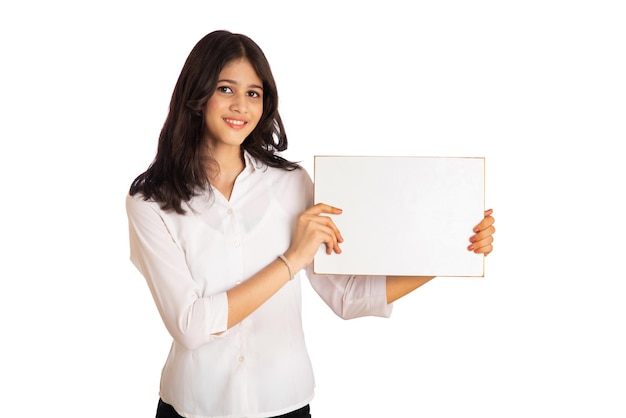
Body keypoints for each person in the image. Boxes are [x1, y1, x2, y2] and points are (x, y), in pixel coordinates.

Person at [125, 29, 495, 418]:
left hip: (284, 402)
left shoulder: (291, 184)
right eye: (225, 89)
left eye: (254, 93)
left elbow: (348, 296)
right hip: (193, 406)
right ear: (197, 95)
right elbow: (191, 325)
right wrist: (291, 260)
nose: (241, 106)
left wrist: (451, 249)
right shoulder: (150, 202)